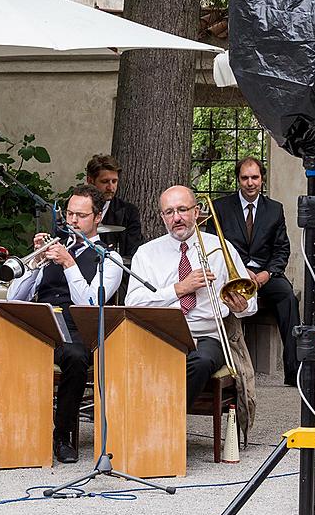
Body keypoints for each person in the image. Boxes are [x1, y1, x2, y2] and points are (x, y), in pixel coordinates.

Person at [7, 184, 123, 463]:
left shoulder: (110, 259)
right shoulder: (52, 249)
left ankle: (62, 435)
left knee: (76, 356)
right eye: (69, 214)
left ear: (98, 217)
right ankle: (11, 428)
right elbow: (15, 297)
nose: (72, 221)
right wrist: (34, 262)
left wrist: (69, 264)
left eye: (80, 215)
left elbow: (90, 305)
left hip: (74, 326)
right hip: (39, 321)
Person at [125, 185, 257, 408]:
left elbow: (250, 303)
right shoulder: (147, 253)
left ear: (196, 212)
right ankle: (143, 420)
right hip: (162, 334)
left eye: (183, 210)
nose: (177, 218)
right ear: (162, 217)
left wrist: (241, 306)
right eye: (169, 212)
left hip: (207, 336)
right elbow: (133, 302)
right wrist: (179, 289)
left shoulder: (221, 248)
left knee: (202, 362)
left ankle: (165, 419)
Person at [211, 156, 300, 386]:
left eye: (255, 177)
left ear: (262, 179)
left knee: (288, 297)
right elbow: (214, 246)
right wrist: (239, 271)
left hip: (264, 276)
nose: (250, 182)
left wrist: (267, 273)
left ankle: (295, 372)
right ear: (238, 180)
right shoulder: (220, 207)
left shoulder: (275, 209)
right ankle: (221, 365)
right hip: (232, 275)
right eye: (245, 178)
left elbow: (282, 249)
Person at [85, 154, 144, 260]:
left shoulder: (129, 212)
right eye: (105, 182)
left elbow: (134, 251)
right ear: (90, 181)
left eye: (114, 181)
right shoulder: (75, 208)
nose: (111, 187)